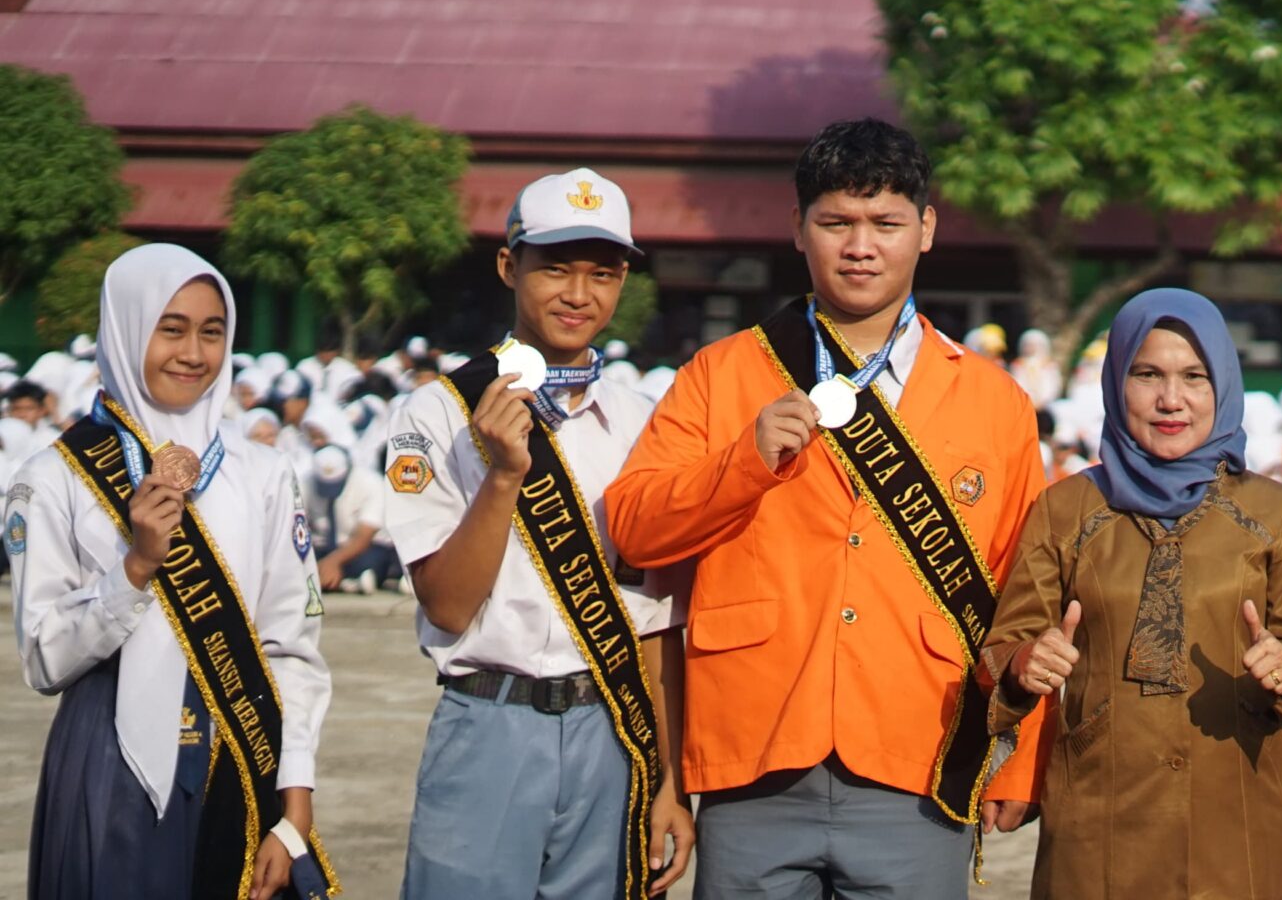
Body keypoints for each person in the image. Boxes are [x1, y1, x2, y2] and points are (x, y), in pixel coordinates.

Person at [604, 119, 1047, 899]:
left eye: (886, 224)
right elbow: (634, 525)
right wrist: (742, 464)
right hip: (754, 751)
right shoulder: (722, 371)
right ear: (798, 230)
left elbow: (1031, 593)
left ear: (927, 230)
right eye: (837, 222)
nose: (861, 246)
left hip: (920, 750)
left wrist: (1030, 750)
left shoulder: (996, 401)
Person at [381, 169, 692, 899]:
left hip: (612, 731)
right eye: (555, 267)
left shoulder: (647, 420)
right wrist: (502, 478)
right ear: (507, 264)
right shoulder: (438, 414)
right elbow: (449, 607)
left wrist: (672, 782)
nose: (579, 294)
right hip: (489, 721)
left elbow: (656, 627)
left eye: (603, 273)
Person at [979, 288, 1282, 898]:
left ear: (1222, 385)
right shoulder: (1065, 509)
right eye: (1147, 374)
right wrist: (1023, 663)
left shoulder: (1271, 510)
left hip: (1239, 810)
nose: (1171, 399)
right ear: (1116, 380)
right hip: (1100, 815)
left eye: (1194, 377)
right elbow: (1004, 645)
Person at [8, 244, 335, 899]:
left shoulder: (263, 473)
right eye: (172, 328)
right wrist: (132, 570)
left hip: (242, 755)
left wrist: (295, 797)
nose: (193, 354)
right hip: (109, 759)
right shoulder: (55, 477)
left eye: (211, 332)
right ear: (126, 329)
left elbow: (291, 645)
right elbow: (43, 658)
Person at [304, 445, 398, 594]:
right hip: (322, 547)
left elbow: (364, 535)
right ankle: (346, 583)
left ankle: (332, 581)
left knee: (373, 560)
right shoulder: (305, 482)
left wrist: (333, 562)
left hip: (361, 548)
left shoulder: (372, 483)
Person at [1010, 328, 1064, 410]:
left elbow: (1053, 385)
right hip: (1023, 405)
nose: (1031, 348)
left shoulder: (1049, 365)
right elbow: (1016, 383)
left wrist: (1043, 401)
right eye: (1028, 345)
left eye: (1034, 345)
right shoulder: (1018, 364)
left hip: (1046, 406)